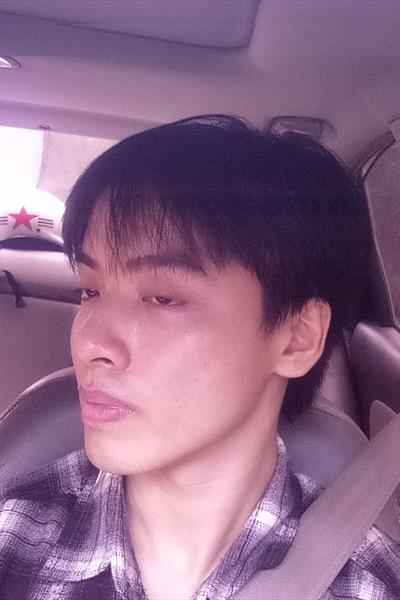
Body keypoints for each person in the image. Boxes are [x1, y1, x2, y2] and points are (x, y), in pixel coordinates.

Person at [0, 115, 399, 599]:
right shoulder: (14, 536)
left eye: (164, 298)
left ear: (296, 338)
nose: (89, 344)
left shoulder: (367, 584)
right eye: (89, 290)